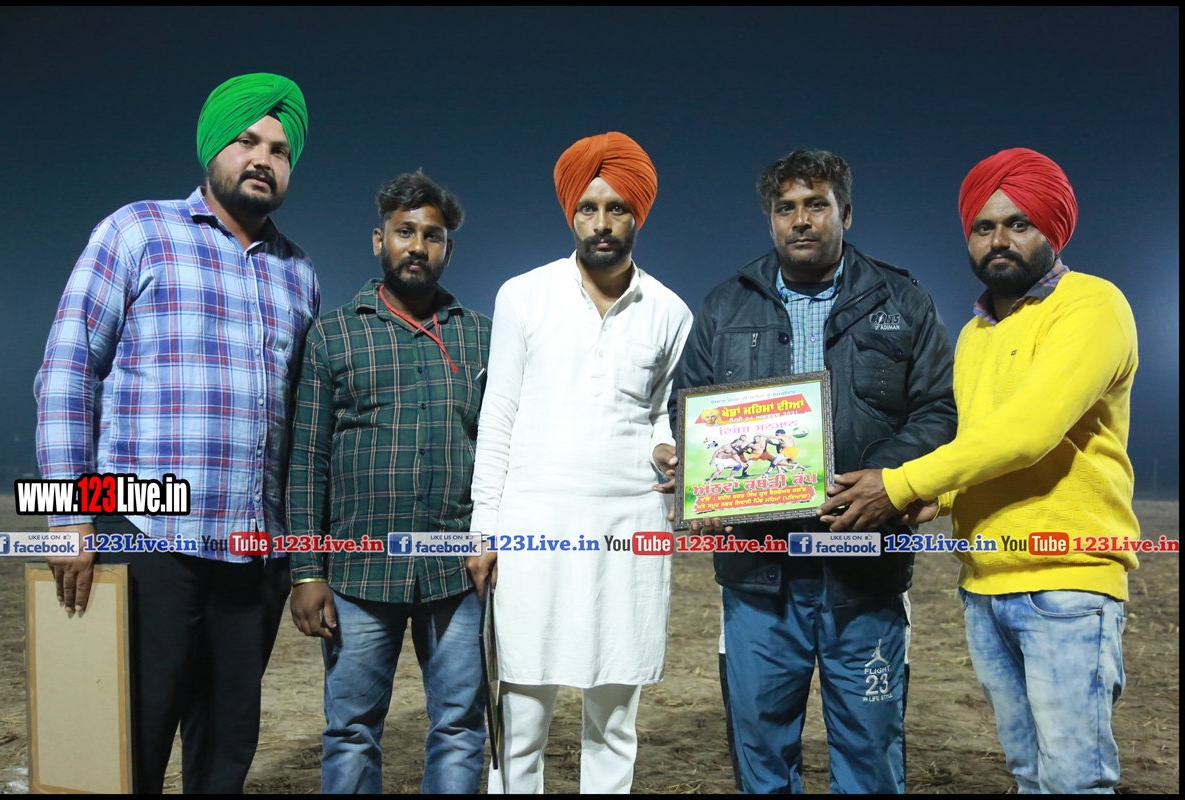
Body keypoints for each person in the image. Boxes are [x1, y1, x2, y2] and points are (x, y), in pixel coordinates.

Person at [819, 147, 1139, 793]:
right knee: (1028, 774)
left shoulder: (1091, 306)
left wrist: (903, 483)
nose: (999, 240)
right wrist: (937, 501)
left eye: (1019, 224)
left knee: (1074, 780)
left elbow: (1027, 433)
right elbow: (978, 443)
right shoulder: (975, 334)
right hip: (985, 583)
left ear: (1053, 228)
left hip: (1067, 583)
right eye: (983, 226)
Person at [34, 73, 318, 793]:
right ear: (211, 147)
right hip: (144, 532)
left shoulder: (298, 274)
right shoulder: (137, 231)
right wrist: (67, 517)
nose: (263, 159)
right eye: (247, 141)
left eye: (280, 150)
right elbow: (67, 370)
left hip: (253, 549)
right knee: (129, 737)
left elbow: (298, 416)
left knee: (225, 750)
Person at [669, 149, 957, 793]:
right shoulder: (723, 307)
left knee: (870, 749)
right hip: (759, 572)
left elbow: (940, 407)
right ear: (770, 219)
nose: (800, 220)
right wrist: (695, 472)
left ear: (845, 214)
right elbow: (685, 408)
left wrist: (886, 480)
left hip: (865, 565)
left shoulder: (903, 301)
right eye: (786, 208)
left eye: (816, 205)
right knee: (761, 751)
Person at [467, 132, 692, 793]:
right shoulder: (523, 296)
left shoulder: (671, 313)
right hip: (533, 525)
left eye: (617, 208)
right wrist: (484, 528)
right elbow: (498, 416)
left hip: (631, 528)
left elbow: (661, 412)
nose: (602, 223)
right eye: (588, 208)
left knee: (615, 719)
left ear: (637, 215)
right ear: (571, 214)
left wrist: (666, 445)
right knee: (521, 715)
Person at [287, 172, 489, 794]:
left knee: (460, 726)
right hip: (357, 573)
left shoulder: (481, 336)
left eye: (433, 235)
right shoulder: (333, 334)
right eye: (405, 232)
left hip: (456, 573)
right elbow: (306, 460)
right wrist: (306, 571)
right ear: (380, 241)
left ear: (447, 248)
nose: (417, 246)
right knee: (351, 729)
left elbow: (502, 449)